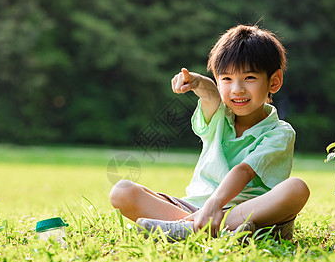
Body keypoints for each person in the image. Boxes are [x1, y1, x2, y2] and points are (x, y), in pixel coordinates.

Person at [109, 24, 310, 241]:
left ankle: (190, 229)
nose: (237, 89)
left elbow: (243, 171)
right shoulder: (218, 116)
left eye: (249, 78)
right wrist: (195, 81)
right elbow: (210, 95)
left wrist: (215, 203)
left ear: (274, 81)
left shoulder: (279, 132)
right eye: (227, 79)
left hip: (247, 211)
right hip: (195, 206)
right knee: (122, 191)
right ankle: (205, 229)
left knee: (297, 188)